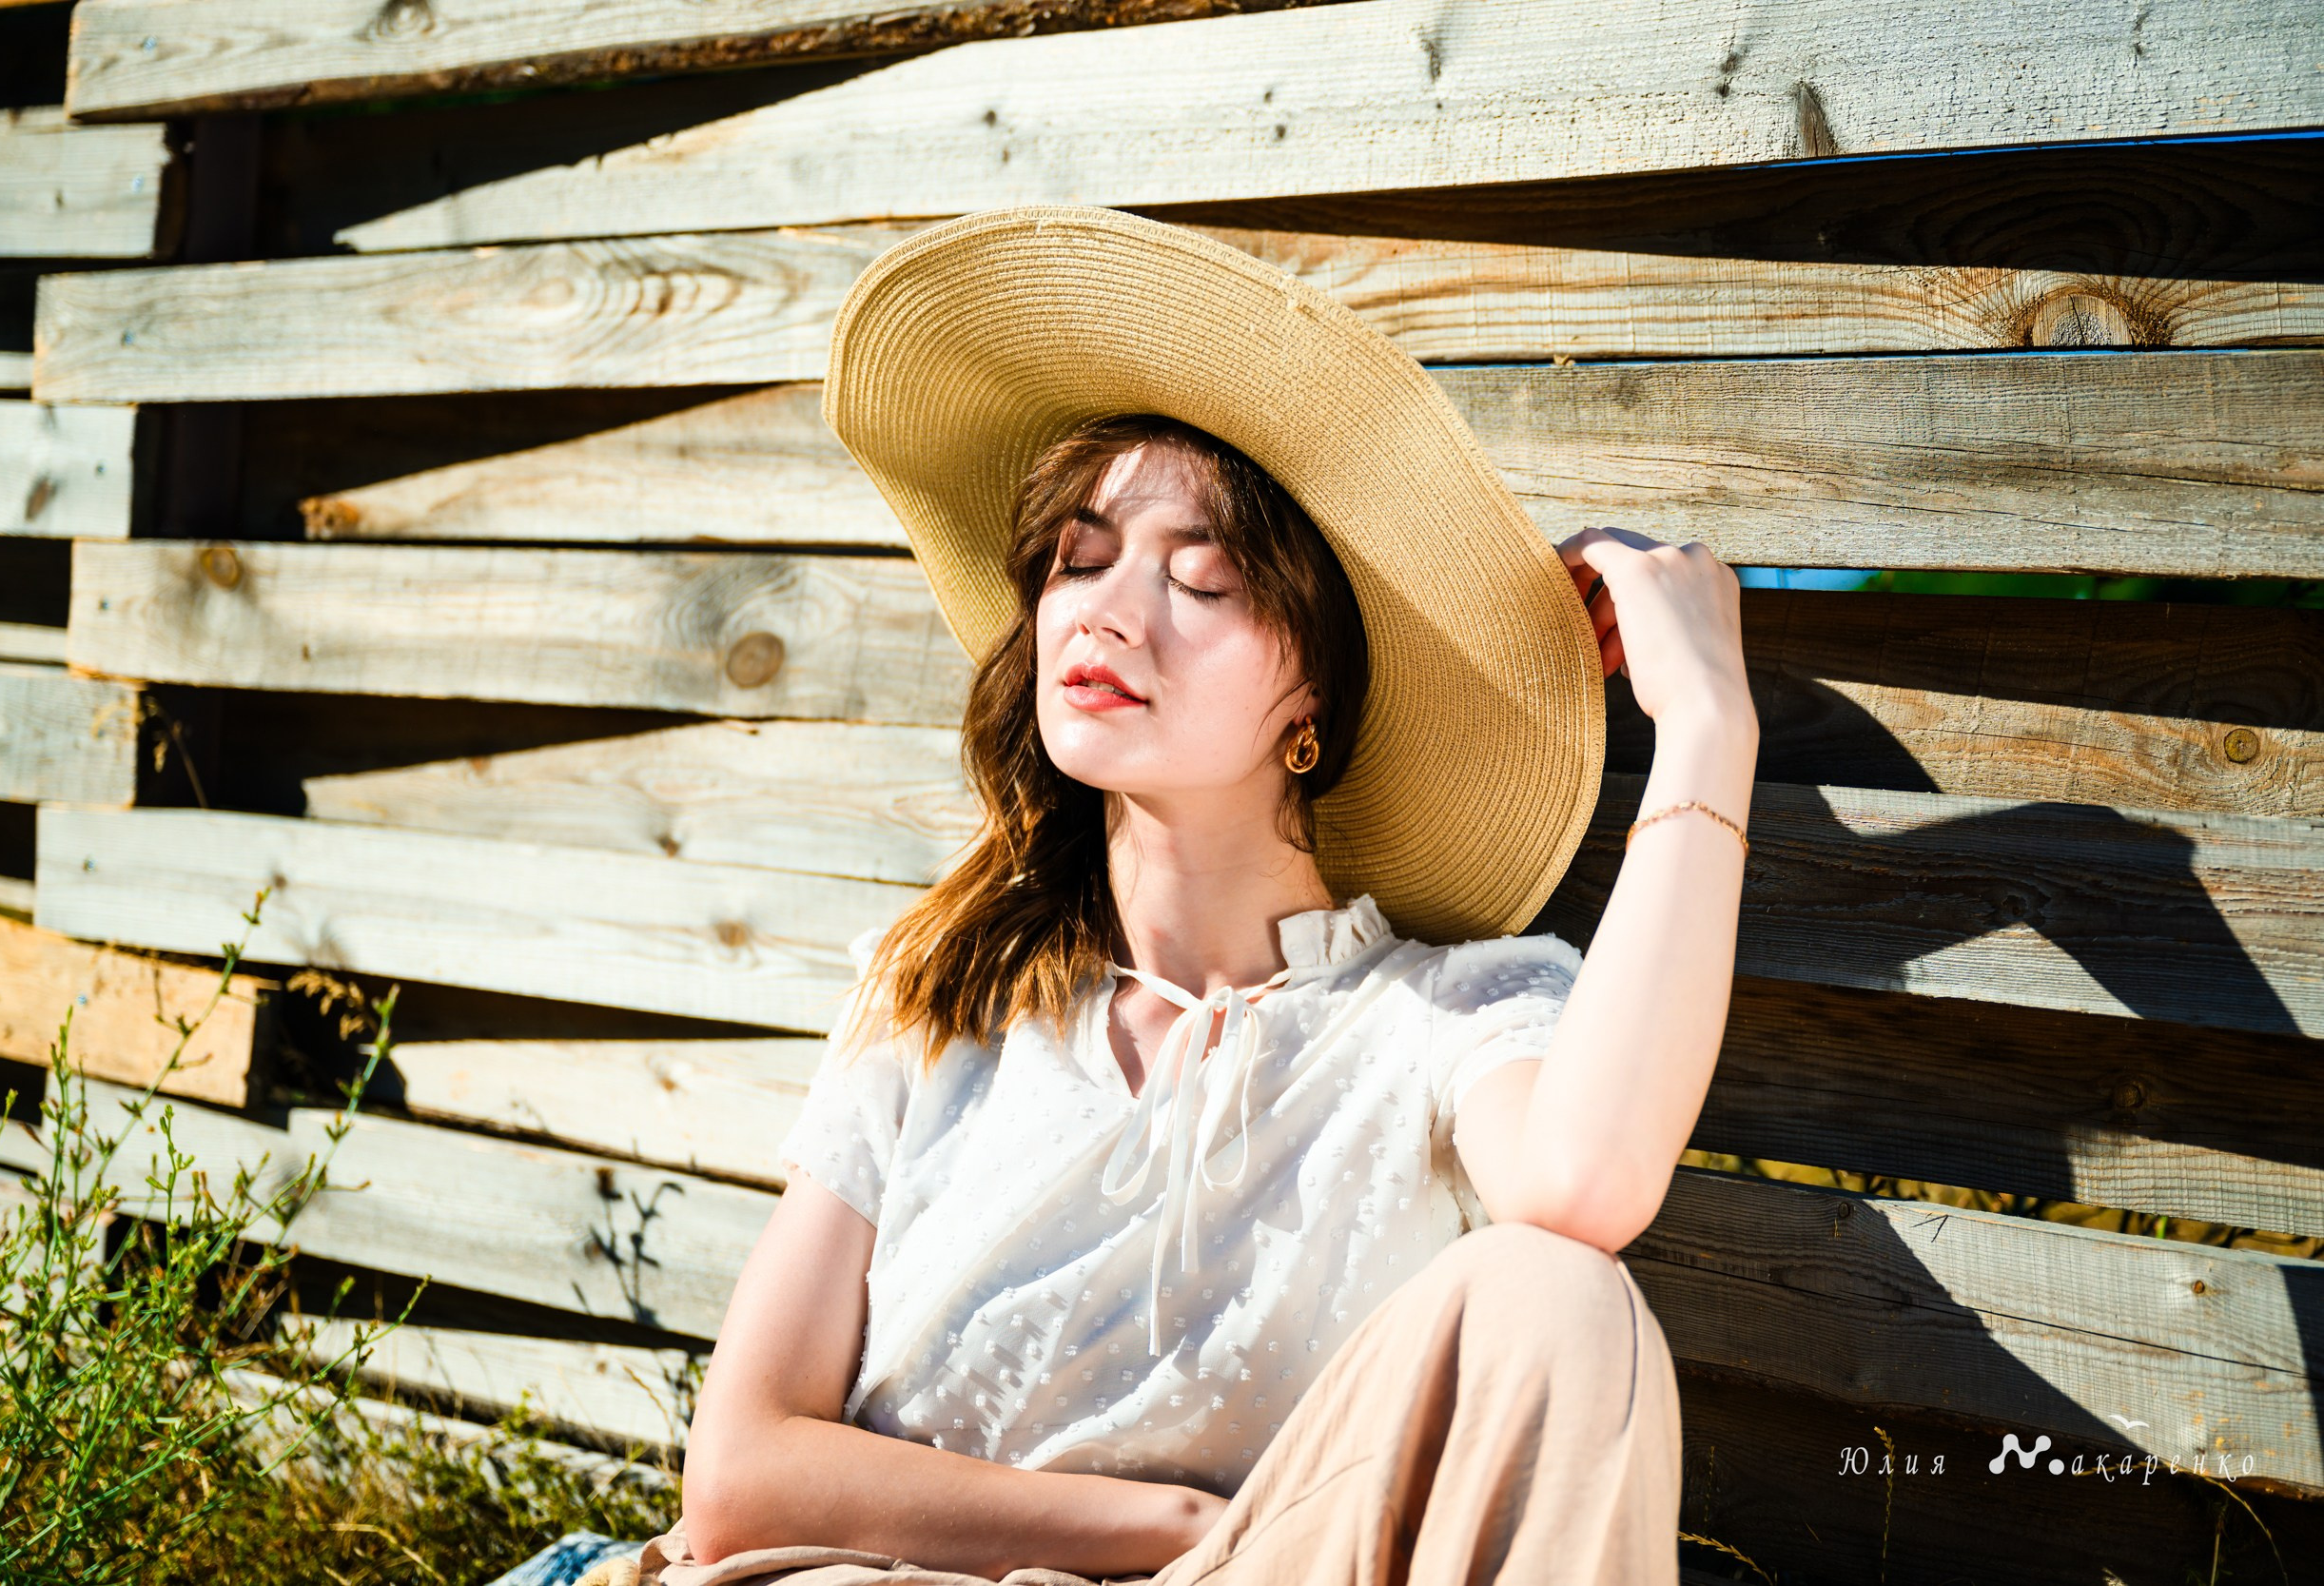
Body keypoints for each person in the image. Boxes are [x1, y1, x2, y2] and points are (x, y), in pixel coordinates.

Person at [601, 208, 1756, 1586]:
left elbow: (1585, 1189)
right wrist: (1169, 1535)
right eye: (1080, 560)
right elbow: (741, 1477)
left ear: (1314, 694)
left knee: (1558, 1294)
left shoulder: (1440, 1023)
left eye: (1203, 581)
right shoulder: (942, 995)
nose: (1107, 610)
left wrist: (1707, 726)